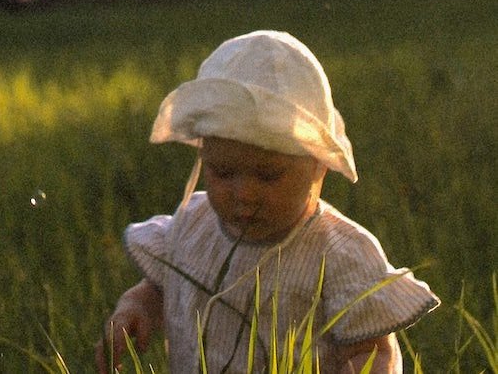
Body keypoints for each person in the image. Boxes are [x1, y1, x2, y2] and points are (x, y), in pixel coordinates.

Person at [94, 30, 438, 374]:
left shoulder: (337, 255)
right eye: (223, 172)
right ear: (203, 155)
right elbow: (159, 288)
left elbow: (372, 351)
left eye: (268, 176)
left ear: (318, 166)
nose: (244, 194)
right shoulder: (193, 225)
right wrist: (134, 309)